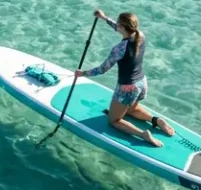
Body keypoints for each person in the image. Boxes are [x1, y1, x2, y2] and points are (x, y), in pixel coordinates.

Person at [75, 9, 175, 148]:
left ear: (123, 27)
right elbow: (119, 27)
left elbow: (102, 69)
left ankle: (143, 134)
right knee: (131, 109)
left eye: (118, 24)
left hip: (128, 88)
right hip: (141, 82)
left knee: (114, 120)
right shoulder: (140, 35)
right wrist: (104, 18)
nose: (116, 26)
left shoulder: (119, 49)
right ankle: (156, 120)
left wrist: (83, 73)